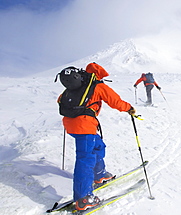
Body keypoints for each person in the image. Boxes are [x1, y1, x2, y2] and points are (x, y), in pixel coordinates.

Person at [57, 63, 136, 211]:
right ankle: (84, 198)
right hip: (84, 126)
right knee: (85, 159)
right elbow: (116, 102)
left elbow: (60, 100)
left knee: (98, 145)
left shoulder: (78, 86)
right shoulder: (96, 86)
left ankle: (99, 175)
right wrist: (129, 108)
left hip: (71, 124)